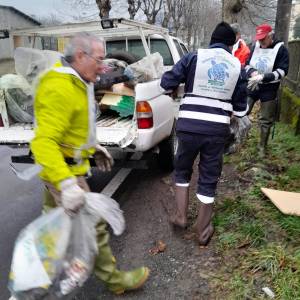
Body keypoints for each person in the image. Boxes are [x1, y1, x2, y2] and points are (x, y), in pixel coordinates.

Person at [30, 33, 149, 295]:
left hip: (63, 169)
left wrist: (93, 148)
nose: (104, 65)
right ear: (81, 56)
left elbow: (71, 130)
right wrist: (66, 184)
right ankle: (115, 281)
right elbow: (43, 142)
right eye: (99, 58)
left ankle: (31, 278)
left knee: (51, 230)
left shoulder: (77, 81)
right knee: (94, 228)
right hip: (64, 174)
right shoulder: (60, 87)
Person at [160, 22, 248, 245]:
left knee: (182, 170)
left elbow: (166, 82)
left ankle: (180, 216)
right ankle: (203, 228)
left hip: (188, 126)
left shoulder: (193, 57)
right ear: (231, 44)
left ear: (212, 39)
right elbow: (240, 109)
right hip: (216, 130)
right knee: (208, 176)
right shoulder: (237, 66)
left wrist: (179, 88)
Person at [245, 23, 289, 157]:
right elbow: (246, 64)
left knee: (265, 118)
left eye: (263, 39)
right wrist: (252, 73)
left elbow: (282, 71)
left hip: (269, 87)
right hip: (253, 84)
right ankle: (237, 138)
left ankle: (261, 147)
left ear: (270, 36)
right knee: (242, 110)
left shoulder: (281, 49)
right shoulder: (255, 46)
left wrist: (264, 77)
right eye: (259, 39)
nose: (261, 42)